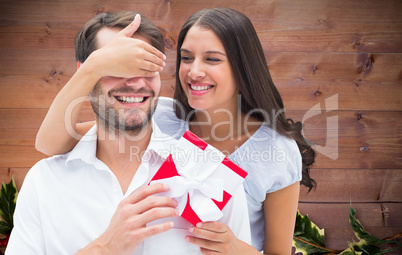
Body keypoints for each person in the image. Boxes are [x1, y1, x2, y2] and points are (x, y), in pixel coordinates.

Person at [34, 7, 316, 254]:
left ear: (242, 67)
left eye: (212, 59)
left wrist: (236, 249)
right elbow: (51, 142)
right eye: (187, 57)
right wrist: (93, 67)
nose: (194, 72)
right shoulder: (162, 116)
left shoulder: (277, 151)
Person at [6, 11, 251, 255]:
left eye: (146, 66)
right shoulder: (44, 182)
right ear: (84, 72)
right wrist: (105, 249)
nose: (135, 82)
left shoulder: (210, 175)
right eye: (116, 66)